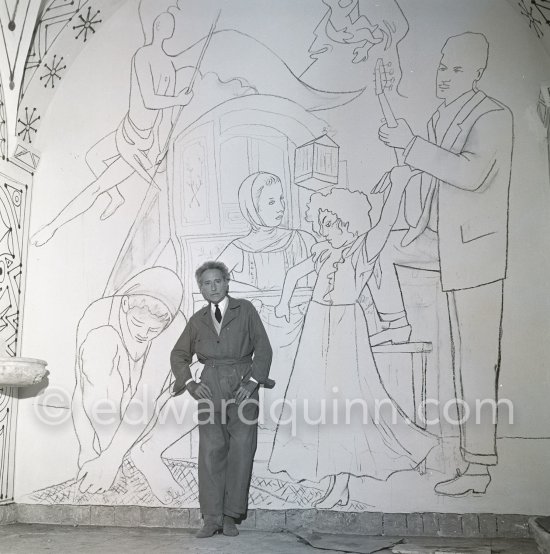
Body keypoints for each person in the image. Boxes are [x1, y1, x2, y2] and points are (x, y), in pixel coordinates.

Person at [375, 32, 513, 496]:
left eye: (455, 69)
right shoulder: (439, 116)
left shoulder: (494, 116)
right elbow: (425, 175)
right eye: (441, 67)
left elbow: (469, 173)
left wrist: (411, 147)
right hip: (435, 246)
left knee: (476, 361)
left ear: (476, 73)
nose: (443, 76)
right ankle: (451, 453)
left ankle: (478, 469)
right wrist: (402, 154)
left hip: (474, 253)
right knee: (379, 251)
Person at [269, 170, 437, 510]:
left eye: (328, 222)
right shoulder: (323, 250)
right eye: (321, 222)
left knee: (344, 401)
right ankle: (326, 472)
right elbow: (294, 273)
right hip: (317, 326)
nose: (322, 229)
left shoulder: (362, 250)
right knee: (314, 399)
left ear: (347, 223)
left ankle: (341, 483)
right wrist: (284, 300)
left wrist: (401, 184)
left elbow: (386, 221)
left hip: (345, 327)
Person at [31, 11, 194, 247]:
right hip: (126, 131)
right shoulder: (146, 57)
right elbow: (152, 101)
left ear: (159, 28)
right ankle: (116, 196)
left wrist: (161, 147)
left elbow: (159, 110)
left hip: (136, 145)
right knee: (93, 157)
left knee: (95, 188)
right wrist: (178, 100)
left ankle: (51, 228)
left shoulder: (160, 63)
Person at [171, 261, 272, 538]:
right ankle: (212, 518)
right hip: (210, 385)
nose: (212, 287)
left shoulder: (246, 310)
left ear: (227, 282)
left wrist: (252, 382)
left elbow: (263, 348)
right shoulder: (197, 321)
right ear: (201, 289)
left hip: (242, 383)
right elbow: (179, 355)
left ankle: (230, 517)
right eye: (206, 283)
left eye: (217, 281)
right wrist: (190, 384)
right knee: (211, 452)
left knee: (241, 450)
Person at [72, 267, 186, 495]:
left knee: (212, 378)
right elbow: (81, 388)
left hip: (152, 414)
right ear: (125, 305)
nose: (144, 333)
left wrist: (112, 459)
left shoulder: (175, 328)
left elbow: (147, 398)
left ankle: (146, 451)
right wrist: (88, 448)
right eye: (137, 324)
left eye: (154, 330)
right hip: (108, 420)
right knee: (101, 339)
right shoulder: (96, 315)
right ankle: (109, 448)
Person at [218, 172, 315, 426]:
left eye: (282, 199)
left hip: (298, 323)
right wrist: (248, 290)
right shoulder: (239, 248)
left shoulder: (300, 239)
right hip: (261, 328)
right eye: (271, 202)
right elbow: (214, 282)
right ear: (252, 207)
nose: (280, 207)